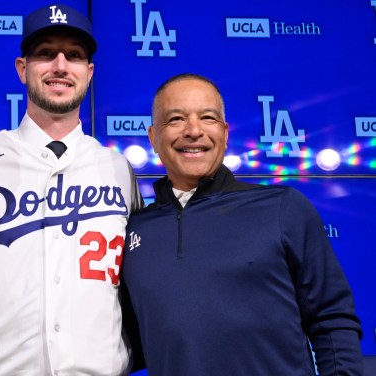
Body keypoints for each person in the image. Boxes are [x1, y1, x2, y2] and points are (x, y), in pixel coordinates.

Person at [121, 73, 364, 375]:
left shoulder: (282, 207)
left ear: (224, 133)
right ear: (154, 138)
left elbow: (332, 320)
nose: (193, 131)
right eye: (176, 120)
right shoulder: (135, 230)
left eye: (207, 118)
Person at [0, 4, 142, 375]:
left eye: (73, 55)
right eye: (45, 53)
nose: (60, 65)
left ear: (89, 73)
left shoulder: (119, 170)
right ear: (22, 69)